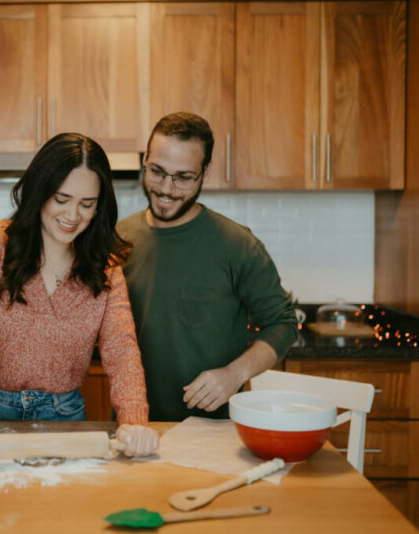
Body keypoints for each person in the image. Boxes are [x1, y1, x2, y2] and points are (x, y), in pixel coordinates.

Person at [0, 132, 159, 464]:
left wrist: (134, 421)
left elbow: (121, 349)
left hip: (63, 416)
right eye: (62, 198)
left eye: (87, 204)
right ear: (40, 193)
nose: (73, 215)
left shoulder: (106, 268)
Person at [117, 112, 298, 422]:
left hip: (216, 429)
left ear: (205, 172)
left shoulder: (237, 245)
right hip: (134, 424)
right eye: (157, 171)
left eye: (184, 177)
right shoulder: (118, 240)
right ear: (145, 159)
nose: (166, 188)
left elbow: (283, 324)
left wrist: (235, 373)